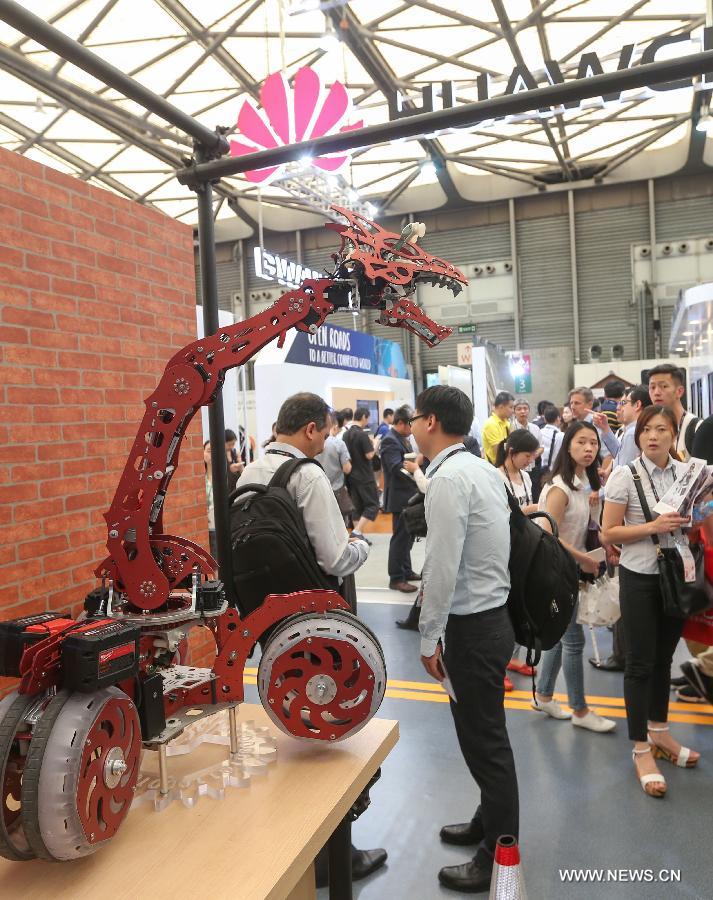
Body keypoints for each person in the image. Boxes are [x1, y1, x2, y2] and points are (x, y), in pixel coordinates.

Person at [235, 393, 386, 881]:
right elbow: (334, 559)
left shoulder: (250, 473)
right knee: (330, 727)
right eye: (324, 431)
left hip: (267, 621)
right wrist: (361, 546)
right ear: (311, 431)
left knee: (293, 721)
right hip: (318, 620)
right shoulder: (308, 475)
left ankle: (299, 845)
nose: (326, 439)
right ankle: (335, 856)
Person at [414, 385, 518, 894]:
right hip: (492, 619)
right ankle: (487, 818)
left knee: (486, 742)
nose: (411, 426)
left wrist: (429, 637)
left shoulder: (450, 479)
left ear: (430, 422)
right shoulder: (479, 469)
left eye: (414, 417)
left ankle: (497, 854)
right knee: (481, 736)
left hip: (472, 627)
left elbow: (441, 566)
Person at [601, 406, 700, 797]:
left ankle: (661, 733)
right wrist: (653, 527)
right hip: (639, 576)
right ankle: (640, 747)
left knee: (663, 659)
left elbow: (691, 520)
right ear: (638, 436)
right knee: (639, 664)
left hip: (676, 576)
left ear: (674, 434)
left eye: (662, 429)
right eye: (647, 430)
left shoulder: (687, 473)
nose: (653, 436)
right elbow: (609, 532)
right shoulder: (625, 475)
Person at [531, 421, 616, 733]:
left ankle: (543, 695)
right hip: (558, 573)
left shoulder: (583, 485)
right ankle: (579, 709)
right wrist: (583, 559)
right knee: (574, 640)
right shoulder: (560, 487)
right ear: (568, 447)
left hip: (573, 571)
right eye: (581, 442)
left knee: (558, 637)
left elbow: (584, 530)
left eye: (593, 443)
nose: (589, 449)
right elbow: (548, 534)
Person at [589, 385, 652, 673]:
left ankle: (622, 654)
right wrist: (605, 432)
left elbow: (621, 477)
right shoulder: (629, 432)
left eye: (624, 403)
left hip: (625, 519)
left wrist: (598, 494)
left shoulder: (634, 430)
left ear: (637, 405)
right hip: (632, 520)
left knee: (622, 585)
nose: (619, 408)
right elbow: (619, 458)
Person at [496, 429, 540, 684]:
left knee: (522, 605)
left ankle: (513, 657)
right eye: (527, 455)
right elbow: (500, 514)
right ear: (511, 452)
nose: (530, 461)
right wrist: (529, 510)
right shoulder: (495, 476)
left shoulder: (525, 476)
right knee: (505, 608)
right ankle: (499, 664)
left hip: (524, 546)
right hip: (503, 549)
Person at [380, 406, 420, 595]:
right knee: (400, 538)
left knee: (408, 536)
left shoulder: (401, 439)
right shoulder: (389, 440)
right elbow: (396, 467)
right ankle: (396, 578)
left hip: (408, 494)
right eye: (411, 423)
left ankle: (406, 570)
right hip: (399, 496)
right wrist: (415, 472)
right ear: (401, 423)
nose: (413, 427)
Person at [647, 364, 701, 461]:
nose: (656, 392)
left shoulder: (695, 428)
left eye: (664, 386)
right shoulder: (650, 430)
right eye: (652, 387)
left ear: (679, 391)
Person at [344, 407, 379, 544]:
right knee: (373, 505)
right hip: (365, 475)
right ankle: (357, 532)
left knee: (357, 507)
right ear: (364, 417)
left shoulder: (346, 435)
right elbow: (369, 455)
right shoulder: (362, 435)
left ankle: (357, 537)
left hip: (351, 476)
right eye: (368, 418)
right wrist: (375, 444)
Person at [315, 415, 353, 527]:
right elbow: (347, 469)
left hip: (319, 489)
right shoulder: (339, 444)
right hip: (337, 489)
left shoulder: (314, 443)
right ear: (335, 426)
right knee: (340, 524)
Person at [569, 386, 618, 458]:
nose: (572, 407)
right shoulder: (574, 424)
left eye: (577, 403)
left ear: (590, 405)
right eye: (571, 403)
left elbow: (608, 456)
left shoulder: (597, 424)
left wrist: (603, 469)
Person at [512, 399, 544, 499]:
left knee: (534, 494)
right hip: (516, 468)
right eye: (519, 409)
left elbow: (541, 447)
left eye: (525, 408)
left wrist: (532, 455)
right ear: (514, 412)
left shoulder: (535, 428)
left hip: (532, 467)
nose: (522, 411)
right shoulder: (510, 427)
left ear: (529, 411)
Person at [482, 391, 514, 465]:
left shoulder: (507, 423)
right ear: (501, 407)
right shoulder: (491, 424)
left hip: (505, 465)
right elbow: (499, 451)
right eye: (511, 407)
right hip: (495, 467)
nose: (512, 411)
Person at [203, 440, 218, 560]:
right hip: (206, 526)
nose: (211, 455)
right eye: (208, 451)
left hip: (220, 525)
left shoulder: (225, 476)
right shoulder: (200, 478)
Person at [539, 405, 563, 478]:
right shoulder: (561, 435)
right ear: (558, 418)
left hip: (541, 472)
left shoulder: (539, 432)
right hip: (557, 472)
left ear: (545, 419)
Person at [224, 427, 245, 493]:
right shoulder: (220, 455)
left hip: (236, 486)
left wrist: (239, 461)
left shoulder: (234, 453)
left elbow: (242, 473)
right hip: (227, 488)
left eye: (233, 444)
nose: (231, 447)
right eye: (229, 444)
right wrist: (229, 469)